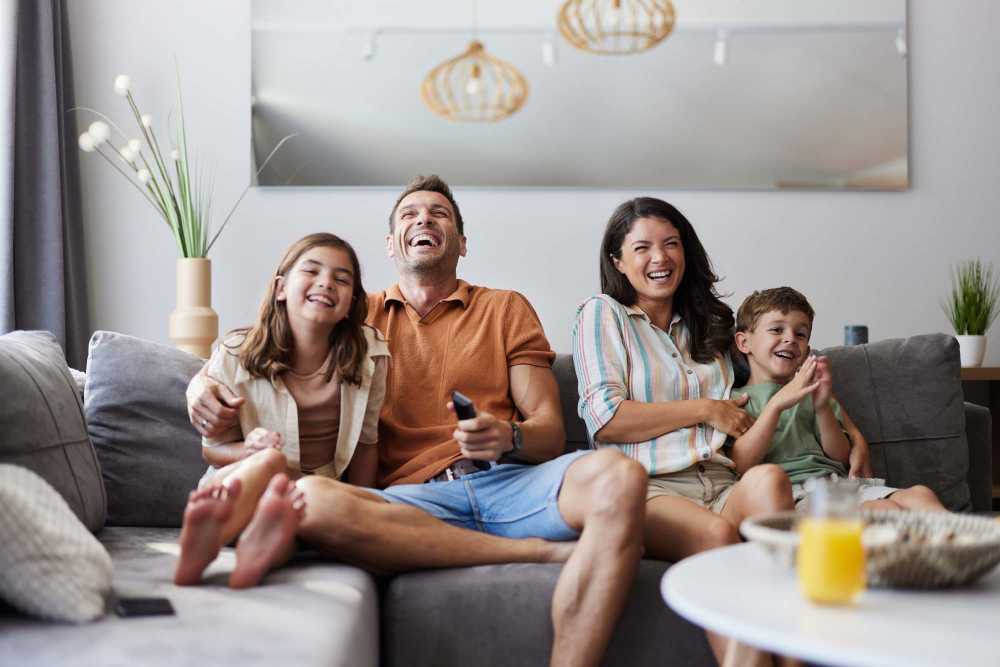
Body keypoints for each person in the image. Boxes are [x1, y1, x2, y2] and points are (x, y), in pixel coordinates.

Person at [187, 175, 647, 667]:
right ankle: (531, 550)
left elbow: (550, 434)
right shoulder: (353, 316)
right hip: (410, 499)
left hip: (511, 485)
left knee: (621, 476)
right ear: (390, 244)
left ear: (462, 243)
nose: (424, 219)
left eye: (438, 213)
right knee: (310, 500)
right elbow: (269, 346)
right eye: (409, 214)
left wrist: (507, 435)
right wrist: (199, 386)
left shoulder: (505, 308)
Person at [572, 197, 796, 666]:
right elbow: (607, 419)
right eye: (643, 248)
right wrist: (705, 409)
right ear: (618, 261)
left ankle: (795, 655)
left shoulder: (710, 325)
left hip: (721, 479)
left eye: (671, 244)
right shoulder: (602, 314)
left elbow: (774, 371)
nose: (660, 257)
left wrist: (851, 431)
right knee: (716, 534)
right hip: (650, 488)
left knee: (772, 482)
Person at [174, 233, 390, 589]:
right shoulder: (236, 353)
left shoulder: (371, 356)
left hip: (310, 492)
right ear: (280, 288)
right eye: (312, 271)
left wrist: (362, 503)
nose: (326, 283)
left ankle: (262, 549)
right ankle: (211, 536)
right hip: (241, 484)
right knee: (272, 463)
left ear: (351, 304)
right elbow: (211, 449)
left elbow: (367, 443)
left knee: (294, 508)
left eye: (341, 279)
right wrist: (251, 450)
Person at [730, 286, 945, 511]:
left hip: (838, 485)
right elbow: (740, 464)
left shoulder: (815, 391)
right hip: (793, 494)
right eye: (776, 330)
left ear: (807, 350)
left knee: (921, 495)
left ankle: (957, 533)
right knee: (884, 510)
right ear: (744, 343)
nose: (790, 339)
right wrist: (776, 406)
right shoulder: (735, 401)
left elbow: (840, 456)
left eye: (800, 334)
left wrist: (823, 407)